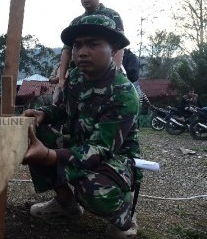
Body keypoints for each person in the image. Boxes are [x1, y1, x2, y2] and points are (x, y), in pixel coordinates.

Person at [22, 15, 142, 238]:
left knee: (94, 189)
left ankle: (124, 216)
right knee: (32, 134)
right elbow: (61, 110)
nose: (82, 52)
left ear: (114, 48)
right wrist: (43, 114)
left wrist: (49, 155)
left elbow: (100, 149)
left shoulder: (123, 93)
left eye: (93, 44)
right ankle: (66, 204)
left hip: (114, 160)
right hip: (80, 146)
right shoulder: (77, 77)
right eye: (77, 45)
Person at [52, 0, 125, 104]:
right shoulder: (76, 22)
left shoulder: (111, 16)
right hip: (79, 73)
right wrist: (62, 79)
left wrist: (115, 73)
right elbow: (67, 51)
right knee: (63, 103)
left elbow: (118, 45)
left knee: (116, 99)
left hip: (103, 71)